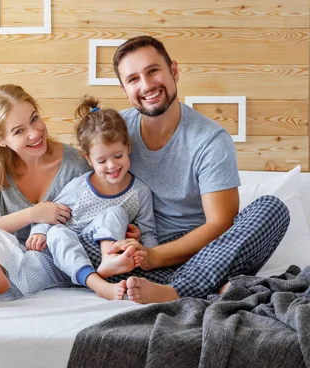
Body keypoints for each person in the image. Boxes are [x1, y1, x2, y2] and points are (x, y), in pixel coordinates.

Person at [94, 35, 291, 303]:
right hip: (137, 252)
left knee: (272, 209)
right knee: (77, 239)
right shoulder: (115, 133)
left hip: (203, 253)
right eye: (133, 79)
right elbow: (86, 185)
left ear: (173, 70)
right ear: (124, 90)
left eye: (153, 71)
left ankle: (173, 291)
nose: (147, 85)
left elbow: (220, 224)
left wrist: (155, 257)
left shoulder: (210, 139)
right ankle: (203, 286)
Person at [0, 84, 129, 304]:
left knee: (26, 262)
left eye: (34, 118)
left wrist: (124, 228)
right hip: (19, 261)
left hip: (64, 258)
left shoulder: (77, 164)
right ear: (0, 140)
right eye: (19, 131)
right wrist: (33, 214)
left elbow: (106, 204)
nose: (34, 133)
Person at [28, 96, 157, 287]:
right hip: (71, 257)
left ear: (128, 147)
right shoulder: (79, 187)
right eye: (102, 161)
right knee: (57, 232)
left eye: (118, 155)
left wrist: (144, 251)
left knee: (115, 212)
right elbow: (51, 213)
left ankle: (108, 260)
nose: (112, 165)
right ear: (89, 159)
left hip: (106, 256)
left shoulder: (140, 192)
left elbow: (149, 233)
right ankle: (91, 279)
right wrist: (39, 232)